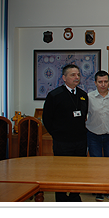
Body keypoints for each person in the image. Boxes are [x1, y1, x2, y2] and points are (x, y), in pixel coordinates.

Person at [42, 64, 88, 202]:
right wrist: (56, 134)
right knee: (60, 172)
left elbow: (84, 115)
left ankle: (75, 196)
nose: (77, 77)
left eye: (78, 75)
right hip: (62, 142)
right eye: (73, 75)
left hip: (80, 141)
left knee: (78, 171)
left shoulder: (83, 95)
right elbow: (47, 119)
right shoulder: (55, 95)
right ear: (64, 77)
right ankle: (61, 198)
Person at [86, 70, 109, 202]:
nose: (103, 84)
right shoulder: (89, 97)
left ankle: (108, 188)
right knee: (97, 164)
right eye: (100, 82)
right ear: (95, 83)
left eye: (105, 81)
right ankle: (99, 190)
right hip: (94, 135)